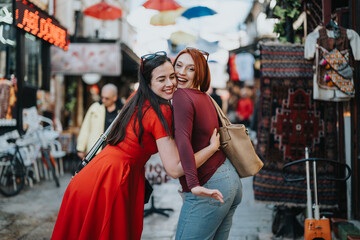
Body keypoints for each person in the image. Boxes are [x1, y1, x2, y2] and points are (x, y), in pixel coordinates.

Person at [51, 52, 222, 240]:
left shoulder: (138, 97)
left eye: (172, 76)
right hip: (113, 179)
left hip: (98, 174)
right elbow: (174, 169)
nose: (170, 83)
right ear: (148, 83)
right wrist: (211, 149)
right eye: (161, 79)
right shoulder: (160, 111)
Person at [172, 48, 243, 240]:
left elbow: (183, 140)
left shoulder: (181, 96)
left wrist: (193, 184)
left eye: (190, 69)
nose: (181, 72)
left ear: (200, 73)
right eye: (178, 65)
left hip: (209, 183)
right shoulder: (206, 97)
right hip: (230, 181)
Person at [76, 83, 123, 159]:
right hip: (95, 150)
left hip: (113, 153)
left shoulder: (121, 112)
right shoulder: (95, 108)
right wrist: (80, 148)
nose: (103, 100)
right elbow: (86, 127)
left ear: (115, 97)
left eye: (107, 98)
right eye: (102, 97)